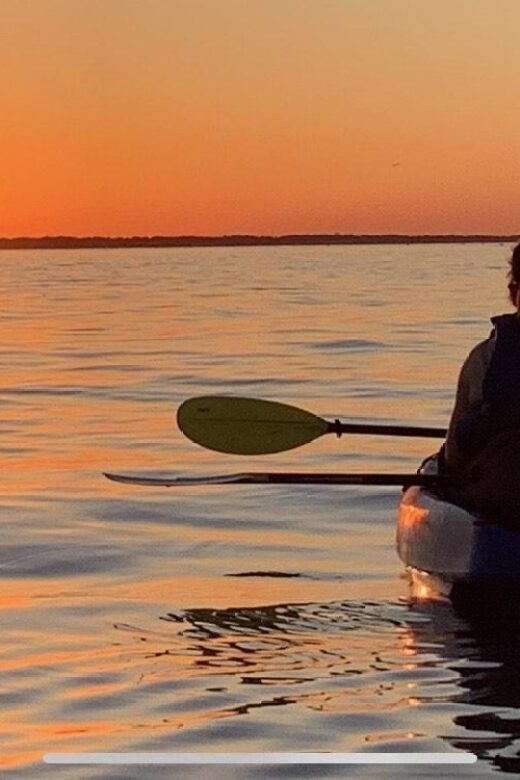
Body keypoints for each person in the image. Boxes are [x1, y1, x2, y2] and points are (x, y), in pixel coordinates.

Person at [440, 242, 520, 527]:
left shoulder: (484, 359)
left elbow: (454, 456)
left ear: (514, 294)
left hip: (501, 502)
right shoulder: (484, 360)